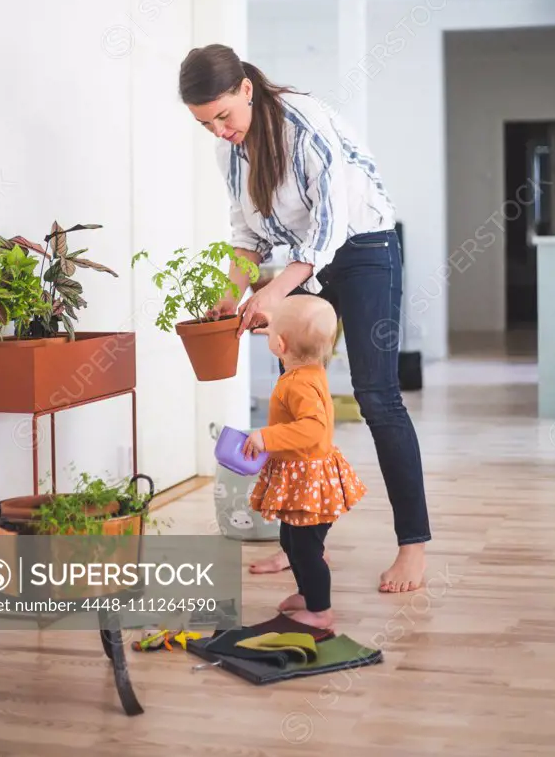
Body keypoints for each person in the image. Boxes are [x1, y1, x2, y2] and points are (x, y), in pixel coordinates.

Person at [179, 43, 431, 593]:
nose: (219, 130)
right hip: (303, 261)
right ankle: (302, 545)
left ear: (247, 88)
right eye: (205, 124)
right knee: (296, 399)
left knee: (376, 397)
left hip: (363, 250)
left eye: (223, 115)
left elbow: (329, 227)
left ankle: (413, 545)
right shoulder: (229, 151)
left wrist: (273, 294)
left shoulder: (303, 121)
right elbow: (246, 234)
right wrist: (232, 294)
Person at [241, 294, 366, 629]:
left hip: (309, 480)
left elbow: (312, 429)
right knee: (291, 542)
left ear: (280, 345)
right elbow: (302, 339)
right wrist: (277, 326)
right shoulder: (312, 368)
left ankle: (321, 610)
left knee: (307, 550)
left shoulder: (299, 384)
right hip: (303, 476)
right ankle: (307, 592)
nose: (268, 337)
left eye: (270, 335)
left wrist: (265, 438)